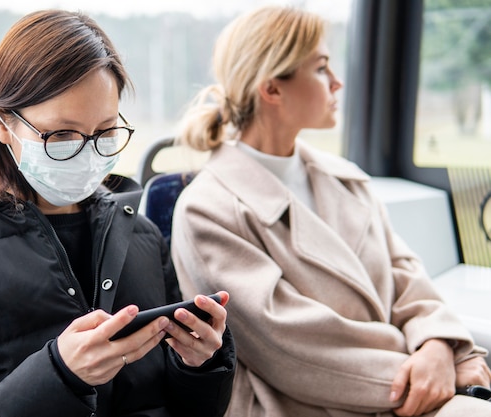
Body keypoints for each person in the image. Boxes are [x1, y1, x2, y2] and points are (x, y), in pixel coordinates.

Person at [0, 10, 235, 417]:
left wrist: (201, 364)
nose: (87, 152)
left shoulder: (142, 235)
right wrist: (60, 376)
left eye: (105, 132)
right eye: (62, 135)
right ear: (1, 123)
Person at [171, 6, 491, 417]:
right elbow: (289, 346)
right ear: (272, 89)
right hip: (303, 402)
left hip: (401, 378)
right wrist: (426, 370)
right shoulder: (207, 210)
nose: (338, 82)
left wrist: (437, 344)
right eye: (321, 69)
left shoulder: (346, 178)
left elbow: (406, 275)